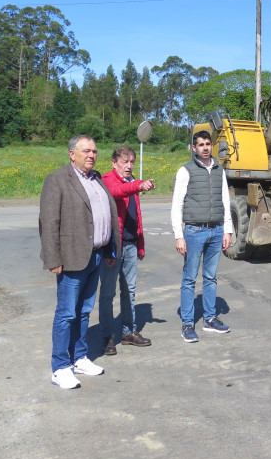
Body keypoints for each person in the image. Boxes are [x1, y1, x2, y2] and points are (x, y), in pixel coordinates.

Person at [39, 135, 120, 390]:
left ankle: (79, 357)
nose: (92, 155)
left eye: (95, 151)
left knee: (84, 311)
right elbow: (49, 222)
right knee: (66, 314)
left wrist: (109, 250)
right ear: (72, 154)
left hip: (95, 255)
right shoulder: (58, 179)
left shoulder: (96, 178)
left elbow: (105, 216)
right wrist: (53, 258)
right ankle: (60, 367)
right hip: (71, 257)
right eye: (86, 151)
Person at [170, 130, 233, 343]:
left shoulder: (219, 170)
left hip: (216, 231)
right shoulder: (185, 171)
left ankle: (210, 319)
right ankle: (187, 324)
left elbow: (225, 200)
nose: (205, 147)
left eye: (208, 144)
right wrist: (179, 235)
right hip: (194, 231)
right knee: (189, 279)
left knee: (210, 277)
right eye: (201, 144)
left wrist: (227, 230)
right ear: (194, 148)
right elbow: (177, 205)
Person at [99, 145, 155, 355]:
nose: (129, 166)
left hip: (131, 245)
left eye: (132, 162)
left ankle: (128, 332)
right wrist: (139, 185)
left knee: (129, 292)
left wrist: (140, 245)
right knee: (107, 294)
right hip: (113, 247)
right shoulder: (107, 180)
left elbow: (136, 216)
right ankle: (107, 336)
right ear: (114, 163)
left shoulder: (132, 182)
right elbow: (117, 192)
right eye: (125, 161)